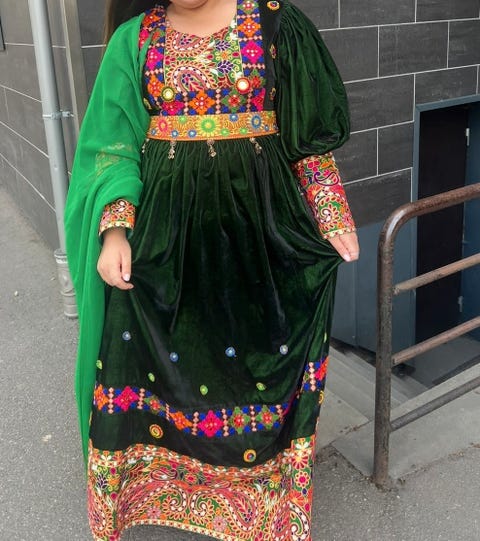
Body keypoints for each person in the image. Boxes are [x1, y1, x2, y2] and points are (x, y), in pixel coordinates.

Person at [64, 0, 359, 539]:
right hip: (163, 248)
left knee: (253, 364)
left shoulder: (277, 22)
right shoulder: (135, 40)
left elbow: (308, 137)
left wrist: (330, 208)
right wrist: (114, 231)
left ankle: (261, 504)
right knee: (157, 359)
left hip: (261, 241)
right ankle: (161, 489)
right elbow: (111, 146)